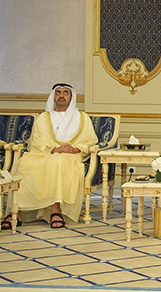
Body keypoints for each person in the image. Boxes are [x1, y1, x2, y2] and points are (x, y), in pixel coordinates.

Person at [3, 84, 97, 229]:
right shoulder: (43, 118)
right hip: (44, 153)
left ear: (71, 97)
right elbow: (36, 141)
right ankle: (15, 212)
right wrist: (54, 149)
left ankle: (56, 209)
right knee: (23, 164)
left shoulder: (82, 118)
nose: (61, 95)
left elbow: (90, 140)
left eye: (65, 93)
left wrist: (76, 148)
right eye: (58, 92)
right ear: (53, 96)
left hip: (71, 155)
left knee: (58, 162)